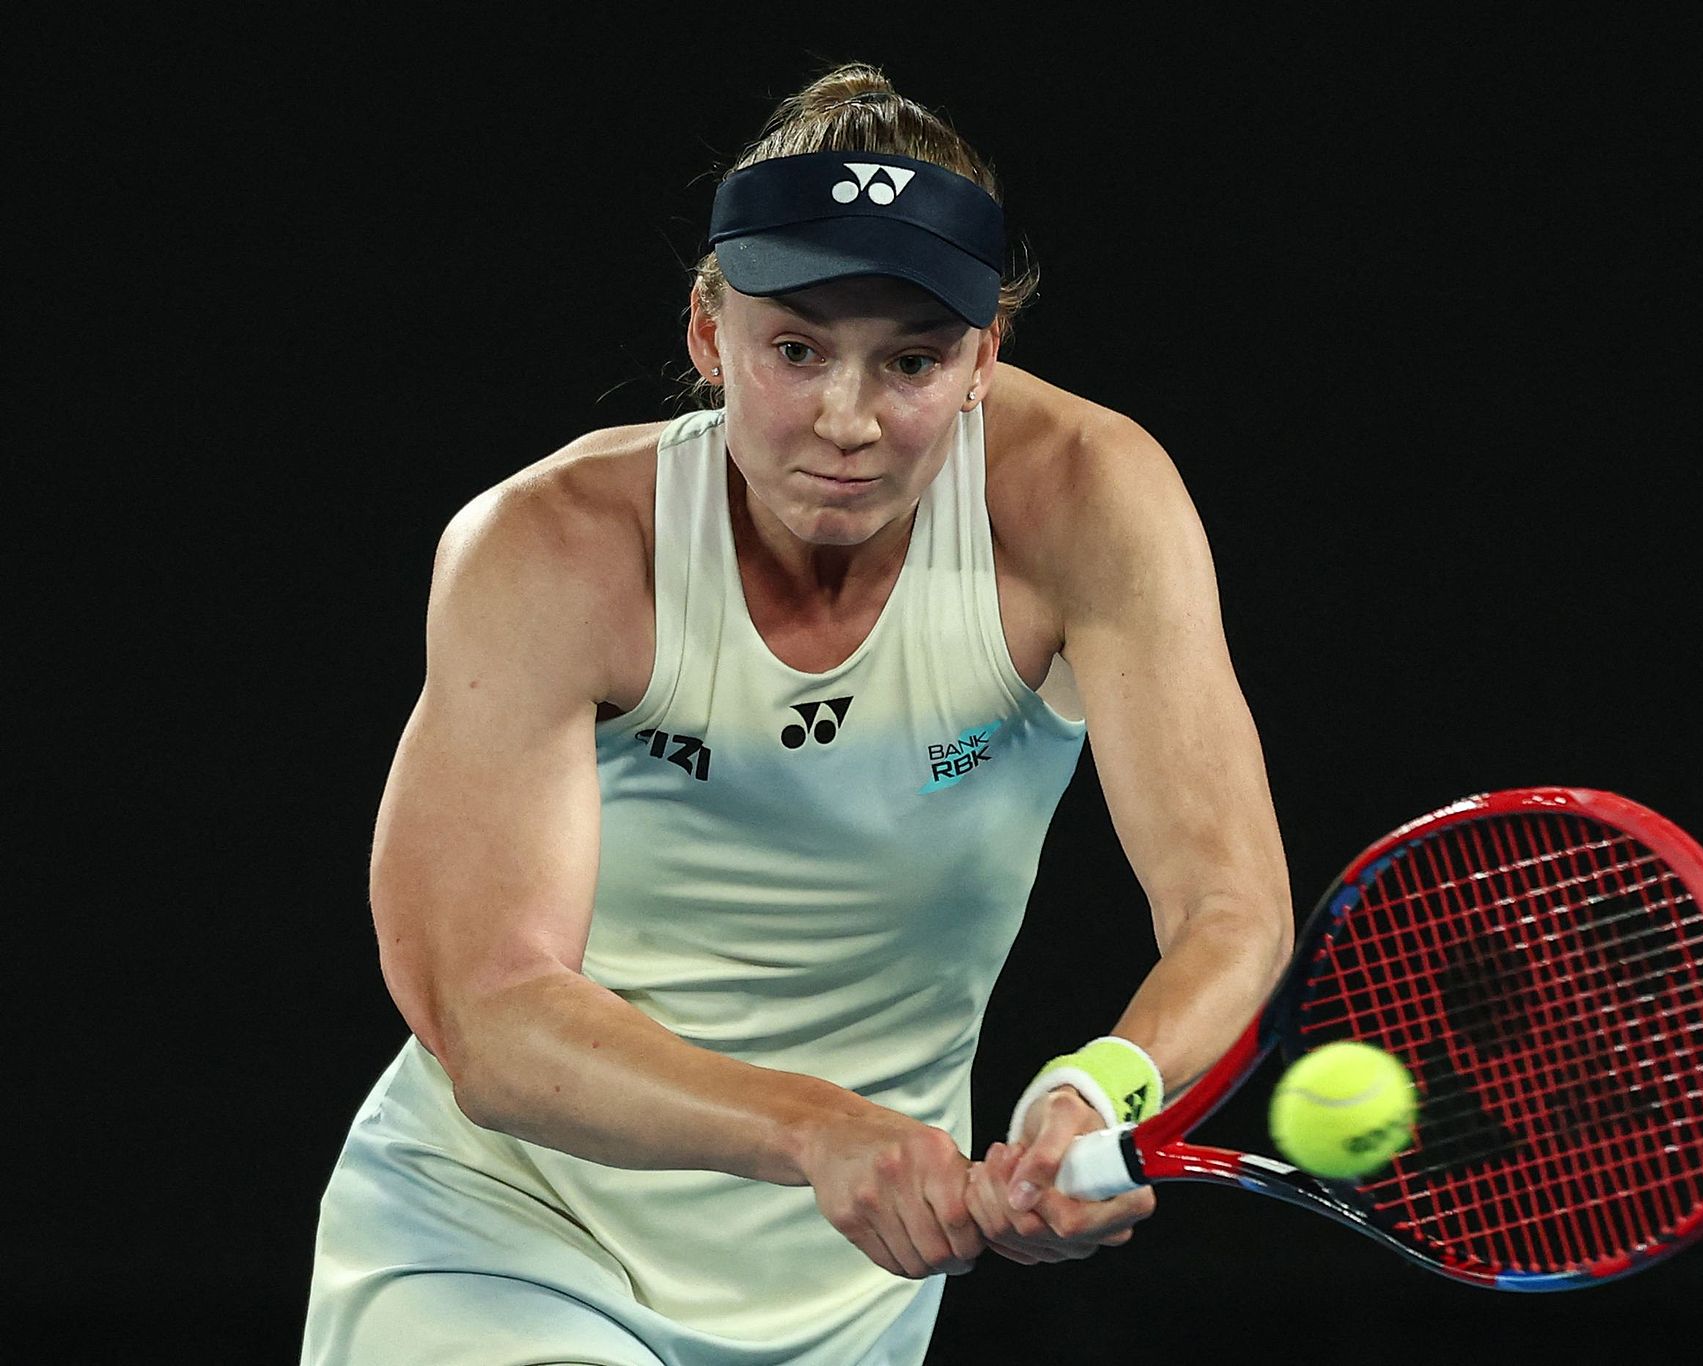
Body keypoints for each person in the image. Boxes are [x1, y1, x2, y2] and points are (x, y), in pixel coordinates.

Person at [302, 61, 1294, 1366]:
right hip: (506, 1237)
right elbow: (487, 1012)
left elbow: (1233, 911)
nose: (847, 419)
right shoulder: (550, 550)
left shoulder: (1086, 502)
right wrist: (817, 1124)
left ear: (985, 358)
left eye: (913, 360)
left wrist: (1097, 1088)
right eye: (797, 348)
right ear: (711, 335)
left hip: (849, 1302)